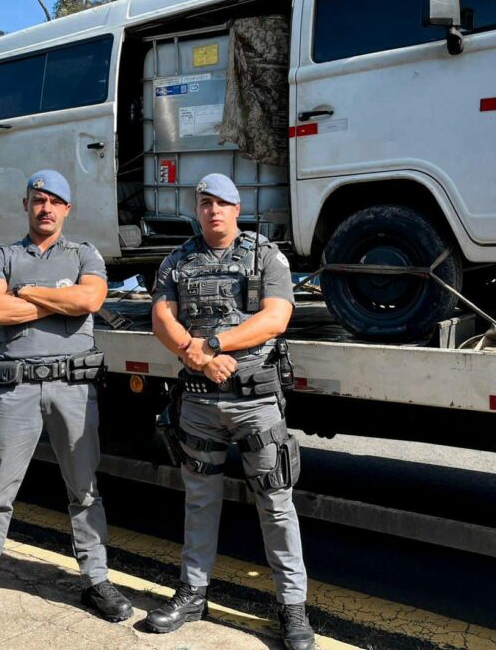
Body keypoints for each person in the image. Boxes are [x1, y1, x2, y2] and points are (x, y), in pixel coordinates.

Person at [0, 170, 133, 637]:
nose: (46, 208)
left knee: (84, 490)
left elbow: (92, 298)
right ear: (27, 204)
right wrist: (61, 300)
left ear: (67, 209)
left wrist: (27, 292)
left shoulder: (84, 253)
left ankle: (96, 581)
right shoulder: (3, 254)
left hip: (73, 392)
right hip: (15, 391)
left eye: (56, 201)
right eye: (39, 199)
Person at [149, 173, 315, 650]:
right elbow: (162, 315)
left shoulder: (266, 255)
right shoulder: (177, 260)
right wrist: (196, 354)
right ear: (197, 209)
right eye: (205, 203)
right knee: (199, 500)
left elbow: (276, 317)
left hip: (257, 402)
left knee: (276, 506)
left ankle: (292, 609)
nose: (213, 210)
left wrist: (214, 343)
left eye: (222, 202)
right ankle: (193, 594)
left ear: (237, 208)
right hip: (199, 401)